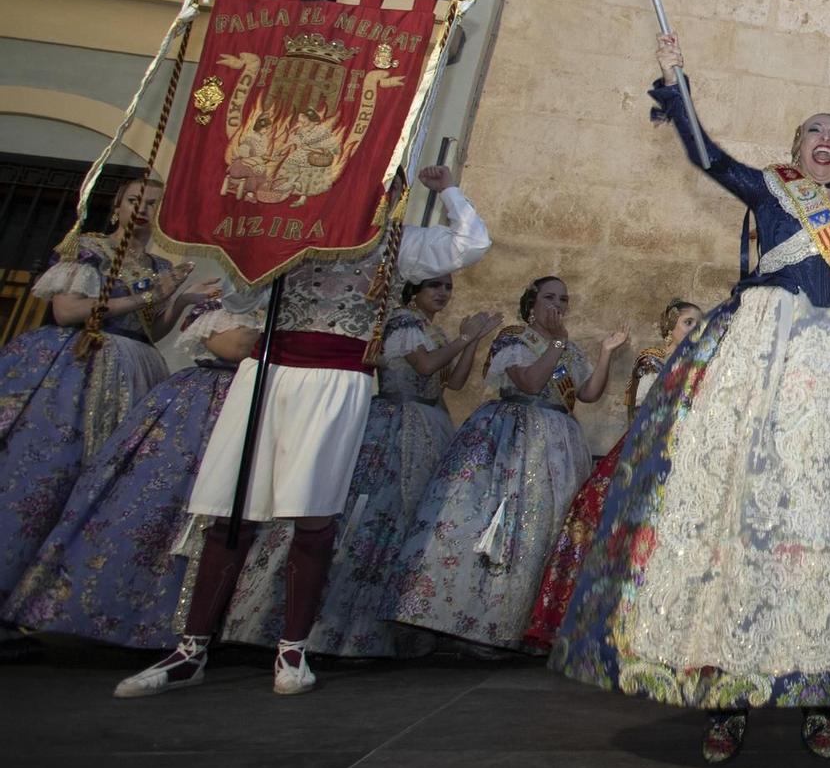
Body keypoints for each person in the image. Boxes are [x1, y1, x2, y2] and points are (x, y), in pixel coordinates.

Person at [550, 35, 830, 765]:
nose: (825, 140)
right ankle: (728, 698)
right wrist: (679, 83)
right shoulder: (769, 186)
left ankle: (824, 697)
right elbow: (709, 157)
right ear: (797, 148)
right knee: (743, 515)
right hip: (764, 360)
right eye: (814, 132)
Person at [114, 165, 490, 698]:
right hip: (267, 370)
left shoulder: (391, 242)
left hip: (336, 379)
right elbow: (241, 302)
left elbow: (470, 242)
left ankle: (292, 649)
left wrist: (446, 187)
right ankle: (191, 648)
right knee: (228, 509)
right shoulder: (283, 233)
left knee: (312, 516)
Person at [206, 275, 501, 658]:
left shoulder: (435, 331)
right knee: (372, 514)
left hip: (430, 422)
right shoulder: (402, 321)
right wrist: (465, 338)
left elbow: (455, 382)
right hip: (395, 423)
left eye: (447, 287)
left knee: (411, 518)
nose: (443, 293)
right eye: (435, 286)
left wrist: (472, 340)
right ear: (414, 291)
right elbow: (425, 367)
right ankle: (324, 626)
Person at [3, 294, 261, 648]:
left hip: (262, 400)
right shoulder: (227, 305)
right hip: (206, 405)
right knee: (155, 496)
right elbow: (232, 346)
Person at [0, 177, 215, 595]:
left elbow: (152, 329)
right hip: (78, 364)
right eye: (134, 200)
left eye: (153, 203)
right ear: (116, 206)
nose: (142, 208)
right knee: (46, 468)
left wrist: (182, 301)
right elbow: (67, 311)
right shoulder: (88, 248)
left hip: (133, 367)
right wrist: (147, 295)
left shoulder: (160, 267)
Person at [391, 276, 622, 652]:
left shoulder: (568, 347)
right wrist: (558, 342)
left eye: (563, 298)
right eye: (549, 297)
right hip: (515, 436)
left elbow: (588, 394)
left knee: (545, 529)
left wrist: (606, 354)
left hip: (560, 442)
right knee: (503, 523)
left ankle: (526, 625)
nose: (558, 304)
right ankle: (479, 621)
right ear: (531, 304)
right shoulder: (515, 338)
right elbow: (530, 383)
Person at [525, 299, 702, 650]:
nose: (695, 328)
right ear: (669, 330)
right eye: (688, 322)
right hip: (648, 453)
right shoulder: (653, 360)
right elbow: (645, 414)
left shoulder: (698, 365)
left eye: (700, 322)